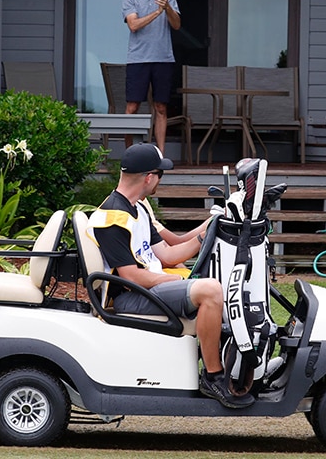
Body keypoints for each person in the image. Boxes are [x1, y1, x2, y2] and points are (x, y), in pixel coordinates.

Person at [87, 143, 254, 409]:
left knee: (214, 281)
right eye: (160, 175)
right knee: (209, 290)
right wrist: (178, 281)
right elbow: (131, 277)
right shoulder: (111, 218)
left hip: (149, 287)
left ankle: (233, 360)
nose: (161, 180)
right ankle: (213, 377)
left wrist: (211, 226)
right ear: (149, 177)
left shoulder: (139, 208)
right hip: (131, 297)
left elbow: (167, 253)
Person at [121, 0, 182, 154]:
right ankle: (129, 153)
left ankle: (160, 154)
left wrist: (167, 8)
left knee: (161, 107)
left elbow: (177, 25)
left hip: (163, 58)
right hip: (138, 59)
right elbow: (133, 25)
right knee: (132, 107)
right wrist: (157, 12)